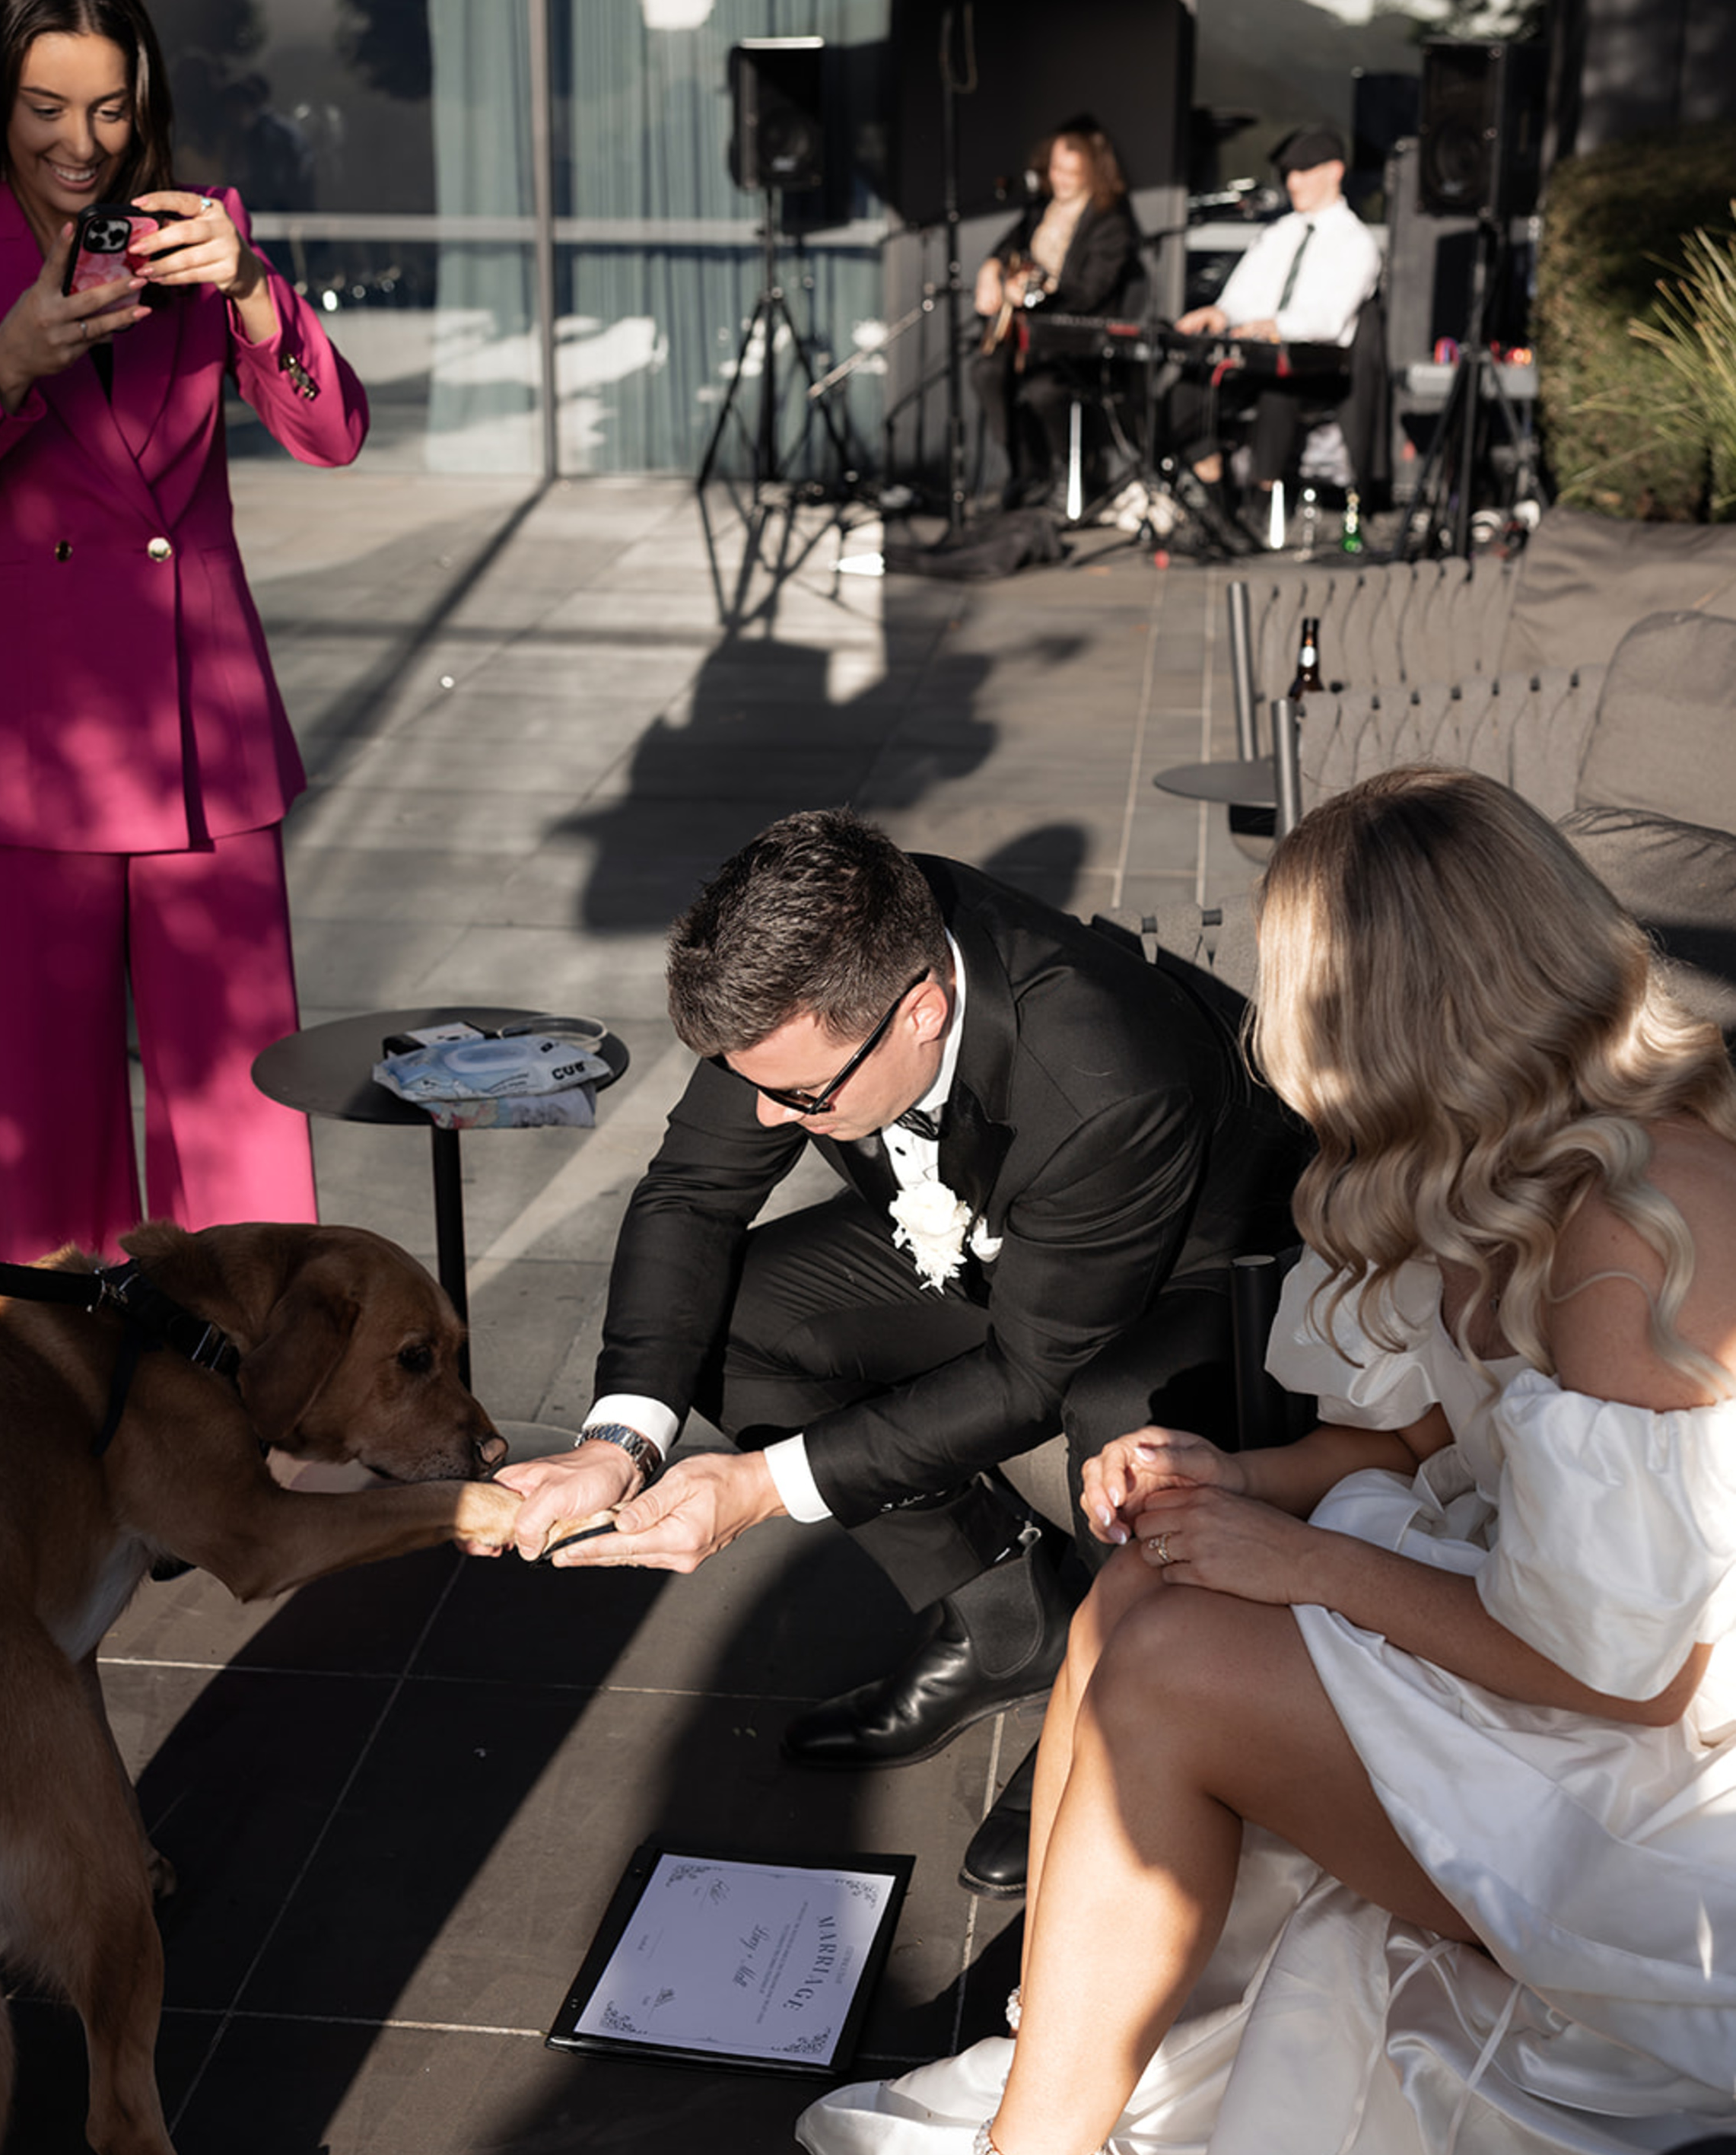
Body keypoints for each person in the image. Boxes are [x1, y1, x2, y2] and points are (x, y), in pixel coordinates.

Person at [803, 769, 1736, 2155]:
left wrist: (1303, 1559)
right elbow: (1417, 1428)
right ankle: (1050, 2124)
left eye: (1288, 984)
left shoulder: (1631, 1228)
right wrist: (1236, 1488)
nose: (1261, 1019)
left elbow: (1624, 1681)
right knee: (1137, 1600)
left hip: (1677, 1797)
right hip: (1568, 1656)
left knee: (1162, 1667)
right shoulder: (1532, 1154)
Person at [498, 808, 1299, 1896]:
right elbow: (691, 1191)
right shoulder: (827, 961)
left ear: (922, 1010)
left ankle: (1116, 1698)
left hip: (1191, 1266)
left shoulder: (1104, 1079)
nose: (773, 1116)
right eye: (757, 1086)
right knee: (726, 1322)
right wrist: (619, 1441)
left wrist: (762, 1486)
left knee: (1120, 1414)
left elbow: (1033, 1375)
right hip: (999, 1230)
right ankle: (1006, 1618)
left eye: (805, 1096)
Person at [0, 0, 368, 1262]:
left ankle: (275, 1430)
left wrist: (252, 289)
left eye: (109, 107)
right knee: (46, 1153)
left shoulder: (197, 228)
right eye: (46, 107)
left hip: (201, 747)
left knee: (246, 1133)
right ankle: (80, 1443)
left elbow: (332, 433)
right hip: (24, 760)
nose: (81, 143)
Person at [1168, 123, 1380, 521]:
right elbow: (1242, 296)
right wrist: (1221, 313)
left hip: (1316, 367)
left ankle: (1259, 508)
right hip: (1255, 357)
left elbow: (1330, 320)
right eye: (1289, 173)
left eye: (1302, 171)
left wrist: (1275, 325)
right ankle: (1217, 502)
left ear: (1334, 172)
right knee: (1187, 389)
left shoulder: (1356, 242)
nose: (1292, 182)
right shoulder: (1278, 233)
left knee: (1278, 394)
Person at [970, 116, 1143, 508]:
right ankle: (1024, 471)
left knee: (1043, 388)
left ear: (1092, 172)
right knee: (985, 371)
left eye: (1070, 171)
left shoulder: (1109, 222)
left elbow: (1090, 292)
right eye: (1055, 168)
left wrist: (1033, 294)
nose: (1060, 178)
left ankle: (1068, 473)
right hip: (1026, 336)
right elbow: (1005, 250)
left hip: (1074, 341)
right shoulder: (1041, 210)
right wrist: (991, 272)